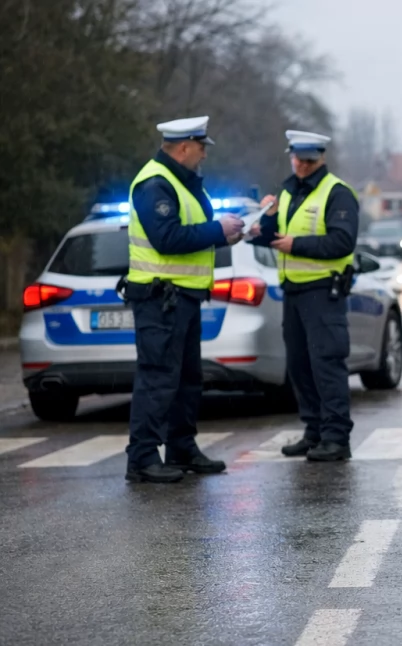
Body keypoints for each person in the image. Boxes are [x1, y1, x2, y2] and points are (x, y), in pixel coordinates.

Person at [124, 116, 245, 483]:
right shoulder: (155, 183)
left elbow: (190, 234)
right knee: (158, 378)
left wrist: (223, 233)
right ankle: (143, 457)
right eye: (201, 147)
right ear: (183, 148)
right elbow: (167, 238)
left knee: (187, 379)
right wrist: (217, 230)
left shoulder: (181, 183)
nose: (204, 155)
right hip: (161, 298)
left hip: (182, 298)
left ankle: (181, 447)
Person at [248, 131, 359, 461]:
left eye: (309, 159)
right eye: (298, 158)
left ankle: (336, 438)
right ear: (291, 156)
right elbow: (273, 237)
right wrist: (265, 221)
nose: (302, 165)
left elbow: (342, 241)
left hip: (323, 291)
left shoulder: (337, 193)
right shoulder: (287, 191)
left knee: (327, 364)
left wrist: (296, 245)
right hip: (294, 291)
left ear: (321, 157)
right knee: (299, 365)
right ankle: (314, 431)